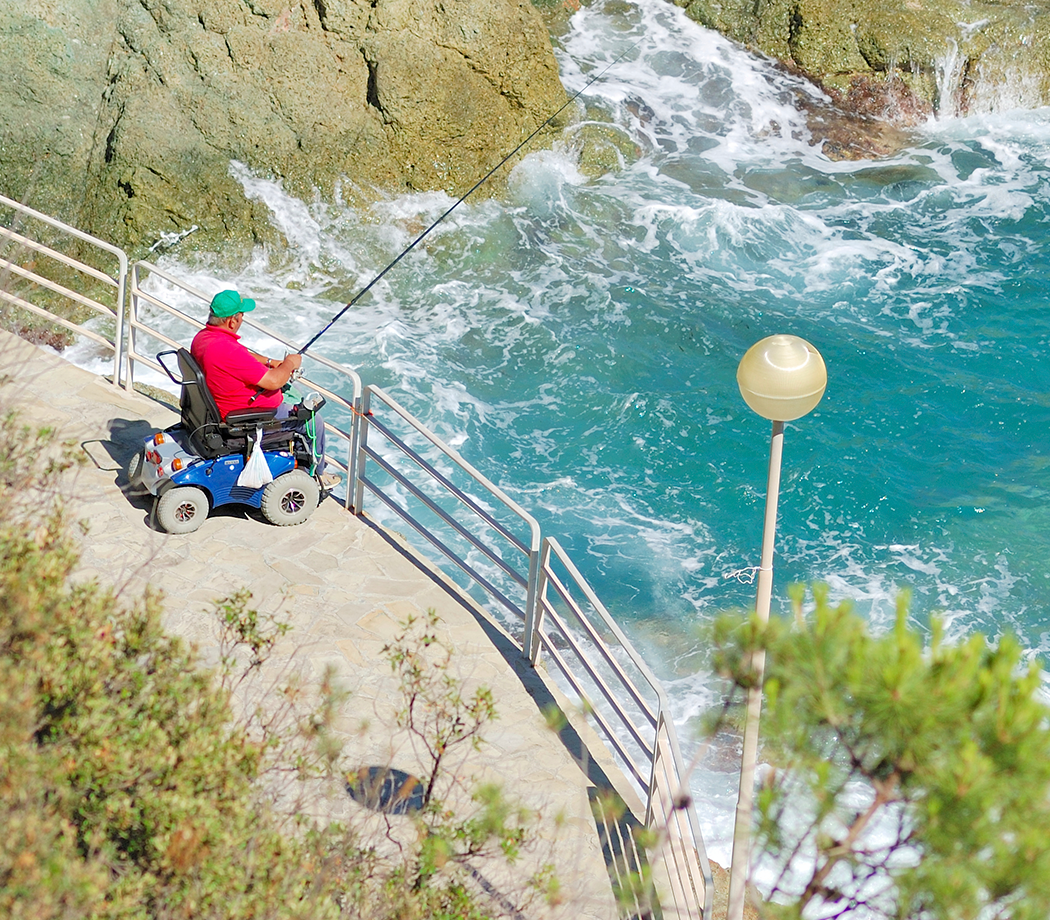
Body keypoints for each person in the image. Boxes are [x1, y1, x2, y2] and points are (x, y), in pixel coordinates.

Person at [191, 289, 336, 483]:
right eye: (241, 315)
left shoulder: (204, 338)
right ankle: (315, 474)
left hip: (221, 405)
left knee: (290, 395)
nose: (242, 319)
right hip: (245, 419)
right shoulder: (226, 350)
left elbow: (244, 356)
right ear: (232, 321)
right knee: (313, 421)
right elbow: (274, 381)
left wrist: (270, 362)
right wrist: (290, 363)